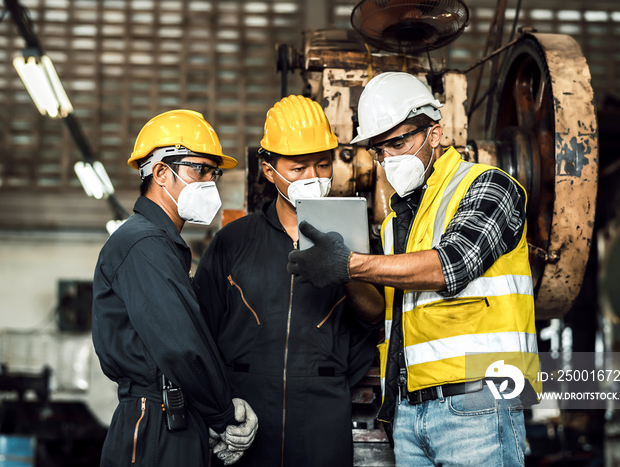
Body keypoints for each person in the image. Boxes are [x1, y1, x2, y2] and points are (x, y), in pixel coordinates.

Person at [287, 72, 541, 466]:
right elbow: (379, 312)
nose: (389, 159)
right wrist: (345, 273)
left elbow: (451, 264)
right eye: (379, 150)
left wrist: (350, 262)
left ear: (435, 134)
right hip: (408, 412)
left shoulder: (489, 185)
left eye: (399, 142)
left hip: (479, 404)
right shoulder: (395, 222)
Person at [192, 95, 385, 467]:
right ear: (268, 169)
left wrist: (346, 264)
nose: (313, 178)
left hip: (322, 411)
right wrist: (217, 406)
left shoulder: (356, 238)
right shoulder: (233, 242)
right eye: (298, 168)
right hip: (244, 410)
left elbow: (374, 316)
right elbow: (201, 330)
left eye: (322, 165)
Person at [92, 109, 258, 466]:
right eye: (199, 169)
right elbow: (181, 346)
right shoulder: (143, 244)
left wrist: (218, 403)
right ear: (162, 173)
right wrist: (222, 413)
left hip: (176, 415)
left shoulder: (161, 244)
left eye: (214, 172)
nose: (210, 181)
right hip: (154, 421)